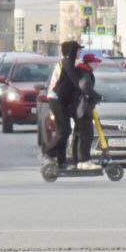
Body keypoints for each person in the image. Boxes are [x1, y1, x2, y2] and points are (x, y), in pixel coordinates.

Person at [43, 40, 81, 168]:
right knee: (65, 129)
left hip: (60, 99)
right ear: (72, 51)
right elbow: (76, 82)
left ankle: (62, 161)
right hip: (56, 98)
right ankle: (48, 152)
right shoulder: (67, 63)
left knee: (63, 130)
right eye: (78, 50)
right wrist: (88, 92)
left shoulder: (67, 63)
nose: (79, 52)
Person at [71, 53, 103, 164]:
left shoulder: (81, 71)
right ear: (89, 63)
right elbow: (85, 87)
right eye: (95, 62)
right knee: (86, 134)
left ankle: (77, 160)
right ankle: (84, 160)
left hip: (78, 107)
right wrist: (98, 96)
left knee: (79, 133)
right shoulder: (85, 73)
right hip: (83, 108)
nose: (96, 65)